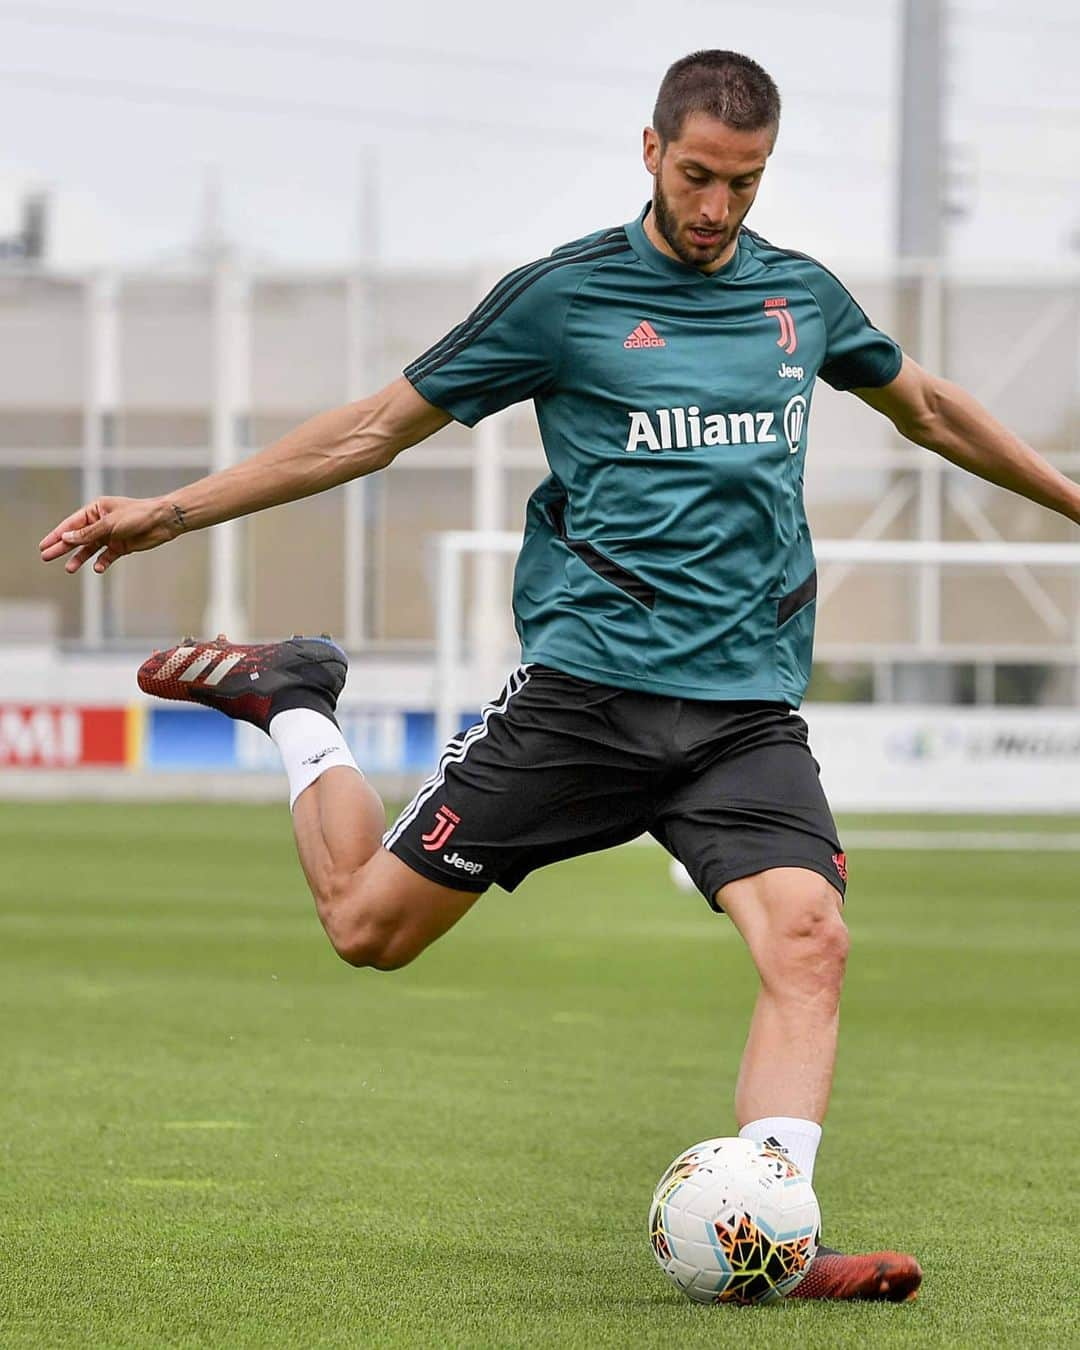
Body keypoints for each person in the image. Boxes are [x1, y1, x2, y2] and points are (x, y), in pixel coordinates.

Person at [39, 50, 1080, 1302]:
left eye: (742, 185)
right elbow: (373, 428)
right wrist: (177, 512)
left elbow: (933, 409)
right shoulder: (563, 299)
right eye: (697, 176)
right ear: (651, 152)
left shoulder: (800, 300)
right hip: (585, 699)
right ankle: (299, 701)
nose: (715, 210)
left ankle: (772, 1237)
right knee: (367, 930)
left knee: (810, 941)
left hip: (745, 715)